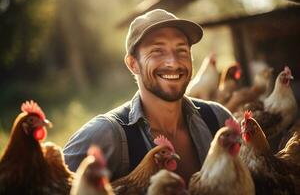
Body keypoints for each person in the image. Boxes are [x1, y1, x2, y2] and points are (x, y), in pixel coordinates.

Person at [63, 9, 234, 184]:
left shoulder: (217, 119)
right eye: (157, 51)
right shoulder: (106, 134)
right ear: (133, 64)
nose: (173, 62)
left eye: (181, 50)